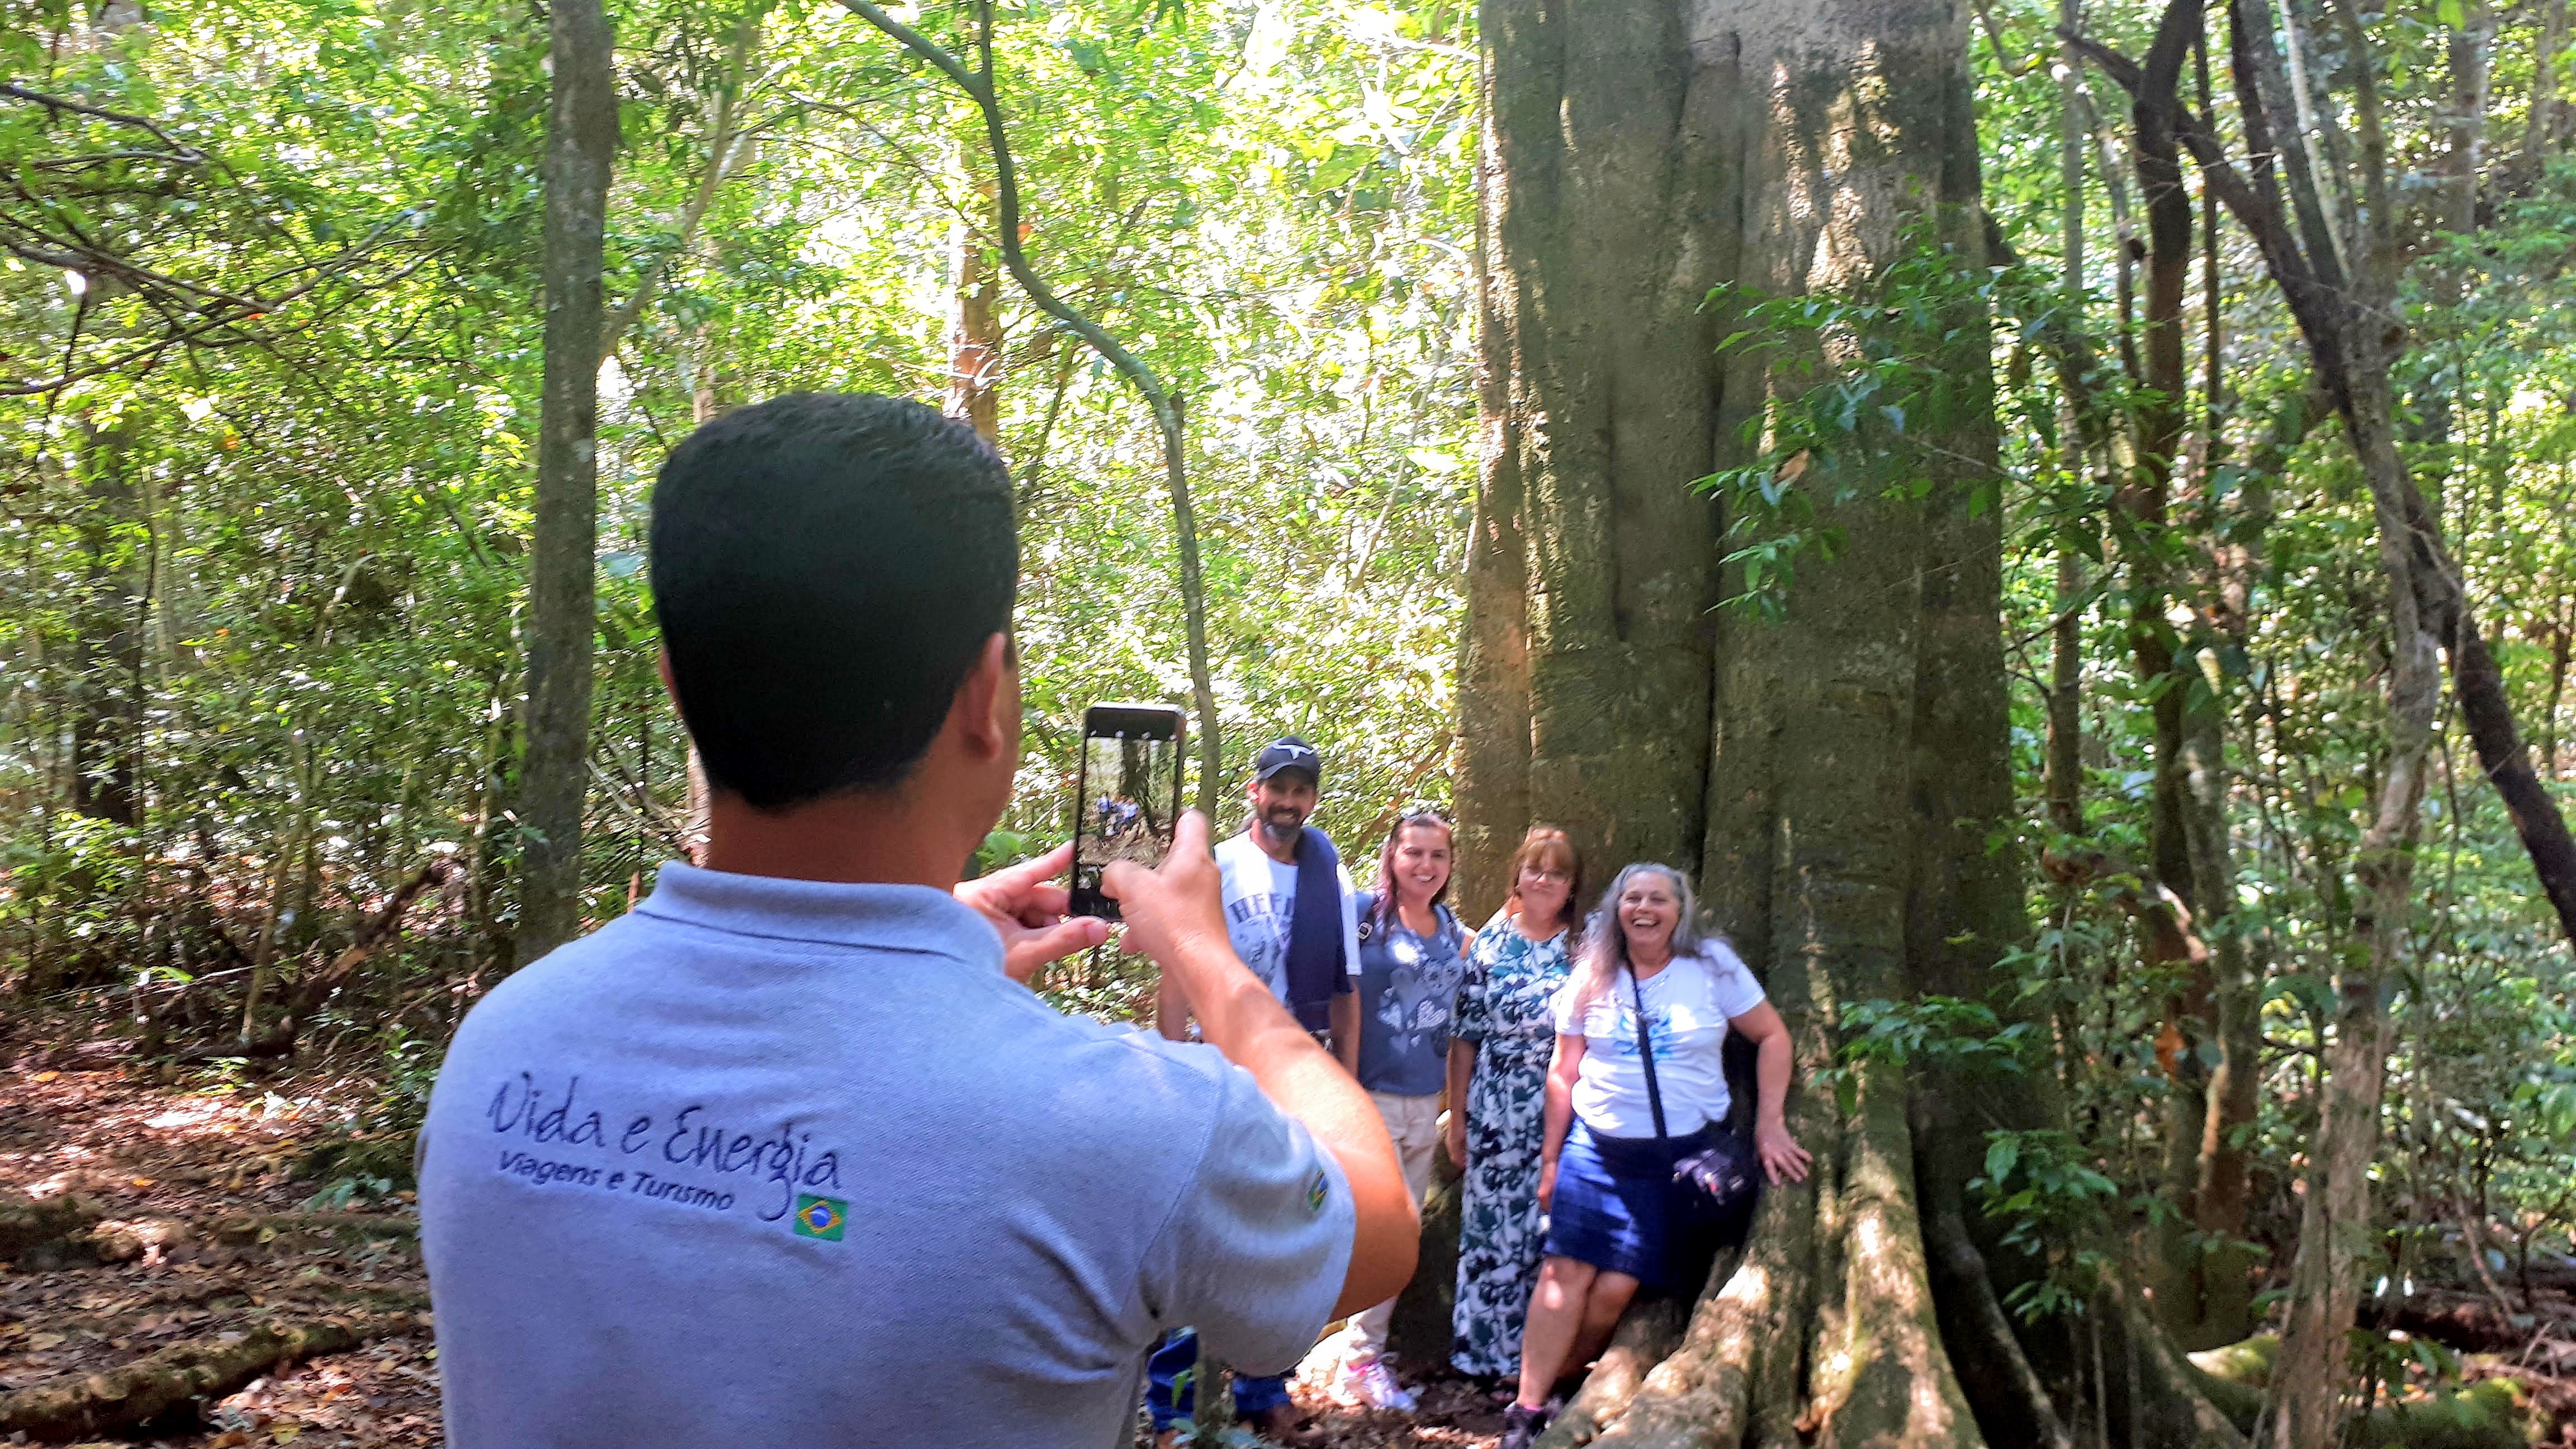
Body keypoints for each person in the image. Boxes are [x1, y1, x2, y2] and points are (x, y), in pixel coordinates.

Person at [415, 392, 1417, 1449]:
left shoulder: (499, 1053)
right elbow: (1378, 1228)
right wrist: (1212, 963)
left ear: (676, 687)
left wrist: (934, 956)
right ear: (984, 697)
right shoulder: (1128, 1127)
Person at [1498, 863, 1811, 1449]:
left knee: (1615, 1291)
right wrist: (1549, 1159)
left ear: (1680, 909)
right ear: (1617, 909)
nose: (1644, 909)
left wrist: (1770, 1123)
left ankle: (1568, 1379)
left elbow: (1773, 1036)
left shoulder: (1712, 967)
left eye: (1658, 899)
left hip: (1675, 1160)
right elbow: (1563, 1072)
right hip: (1596, 1151)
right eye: (1632, 898)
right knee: (1563, 1272)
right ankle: (1527, 1407)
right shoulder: (1592, 973)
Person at [1149, 736, 1366, 1442]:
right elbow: (1179, 969)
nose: (1288, 803)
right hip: (1218, 1070)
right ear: (1254, 790)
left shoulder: (1327, 875)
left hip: (1295, 1074)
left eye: (1301, 791)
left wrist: (1348, 1084)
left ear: (1313, 799)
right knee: (1198, 1224)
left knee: (1273, 1232)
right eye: (1279, 789)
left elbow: (1345, 989)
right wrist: (1171, 1057)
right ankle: (1177, 1400)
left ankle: (1261, 1387)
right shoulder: (1219, 868)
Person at [1329, 809, 1470, 1410]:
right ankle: (1306, 1350)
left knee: (1403, 1235)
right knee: (1359, 1230)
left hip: (1423, 1101)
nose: (1425, 865)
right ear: (1392, 855)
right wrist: (1347, 1090)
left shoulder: (1449, 926)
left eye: (1437, 856)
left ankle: (1363, 1358)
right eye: (1413, 853)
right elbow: (1344, 1001)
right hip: (1371, 1098)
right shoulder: (1364, 916)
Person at [1446, 826, 1584, 1385]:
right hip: (1496, 1105)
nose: (1545, 880)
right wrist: (1457, 1116)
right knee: (1490, 1231)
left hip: (1564, 1107)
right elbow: (1464, 1035)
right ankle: (1483, 1358)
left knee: (1546, 1232)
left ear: (1572, 886)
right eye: (1536, 869)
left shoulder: (1585, 946)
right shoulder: (1491, 944)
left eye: (1558, 872)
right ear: (1518, 878)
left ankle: (1538, 1366)